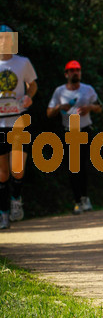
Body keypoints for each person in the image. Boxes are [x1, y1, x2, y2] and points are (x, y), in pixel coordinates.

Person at [47, 60, 102, 214]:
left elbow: (99, 107)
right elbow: (49, 113)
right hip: (68, 131)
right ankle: (77, 200)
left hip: (84, 130)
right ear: (66, 74)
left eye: (77, 70)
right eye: (71, 70)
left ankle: (85, 198)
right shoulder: (59, 91)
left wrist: (89, 108)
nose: (75, 72)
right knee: (73, 168)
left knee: (82, 165)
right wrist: (59, 107)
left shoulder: (88, 89)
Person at [0, 25, 38, 229]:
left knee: (18, 168)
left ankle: (16, 199)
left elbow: (33, 85)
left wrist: (28, 97)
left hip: (19, 121)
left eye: (7, 38)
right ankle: (3, 213)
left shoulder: (22, 63)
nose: (4, 42)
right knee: (2, 173)